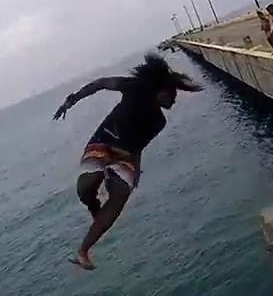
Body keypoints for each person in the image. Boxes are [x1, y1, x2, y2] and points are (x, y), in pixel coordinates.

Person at [52, 54, 202, 269]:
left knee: (120, 195)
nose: (174, 100)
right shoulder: (133, 87)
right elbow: (101, 83)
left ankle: (83, 252)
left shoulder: (159, 122)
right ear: (159, 90)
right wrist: (72, 99)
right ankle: (93, 205)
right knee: (86, 187)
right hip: (103, 142)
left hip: (126, 155)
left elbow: (139, 147)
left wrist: (135, 174)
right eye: (172, 94)